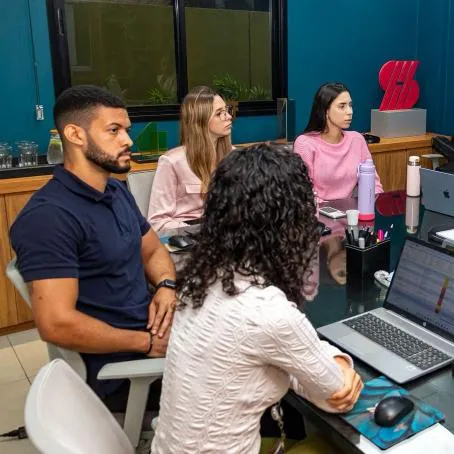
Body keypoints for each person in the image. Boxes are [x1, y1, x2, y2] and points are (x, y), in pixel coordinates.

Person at [152, 145, 363, 453]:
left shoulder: (199, 280)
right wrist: (340, 364)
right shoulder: (267, 313)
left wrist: (313, 365)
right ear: (291, 226)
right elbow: (334, 395)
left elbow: (281, 358)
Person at [9, 85, 176, 408]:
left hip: (151, 333)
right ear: (75, 134)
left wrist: (166, 286)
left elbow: (154, 251)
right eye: (114, 130)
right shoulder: (48, 218)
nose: (128, 141)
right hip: (123, 371)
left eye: (126, 130)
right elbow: (57, 324)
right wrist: (147, 343)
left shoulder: (116, 192)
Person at [147, 86, 234, 232]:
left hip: (229, 234)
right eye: (219, 113)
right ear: (200, 121)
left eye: (227, 110)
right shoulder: (171, 162)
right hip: (189, 235)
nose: (229, 116)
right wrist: (198, 230)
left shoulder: (235, 156)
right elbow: (157, 223)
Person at [294, 82, 383, 201]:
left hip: (351, 210)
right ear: (325, 110)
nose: (350, 111)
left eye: (350, 105)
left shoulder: (357, 140)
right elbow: (303, 193)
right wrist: (330, 209)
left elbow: (375, 185)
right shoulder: (305, 144)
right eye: (342, 106)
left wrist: (370, 204)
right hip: (317, 210)